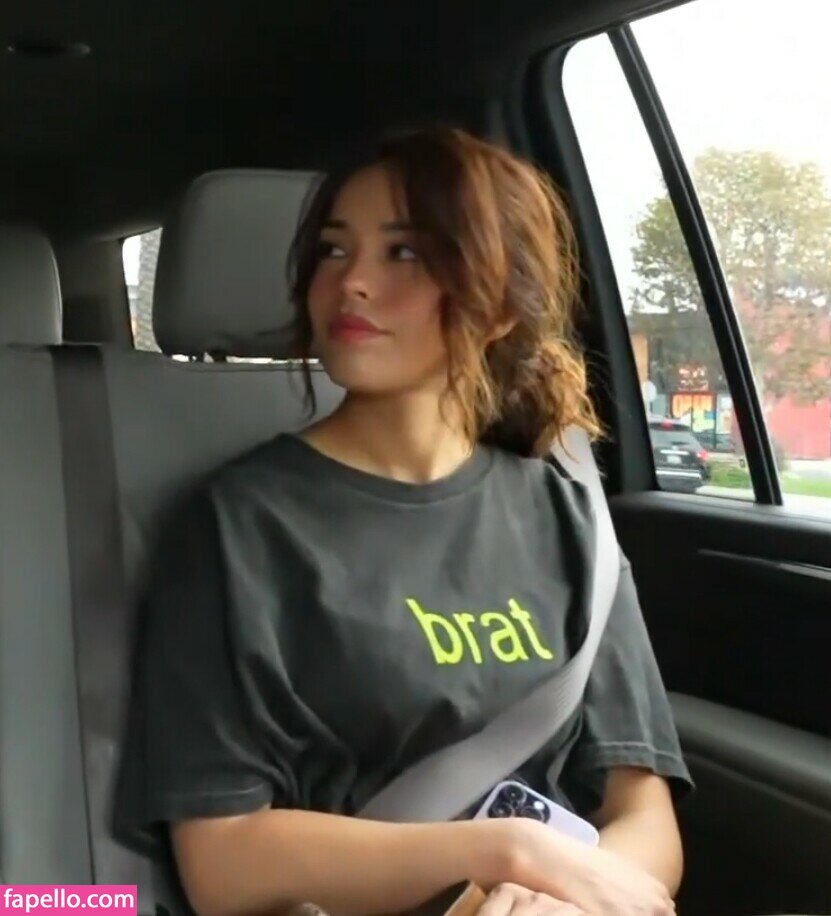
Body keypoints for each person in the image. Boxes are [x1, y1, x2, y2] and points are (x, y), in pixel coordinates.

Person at [114, 126, 693, 916]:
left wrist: (563, 898)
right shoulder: (237, 527)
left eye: (405, 253)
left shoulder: (570, 520)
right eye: (332, 250)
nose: (351, 282)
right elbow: (222, 861)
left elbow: (643, 816)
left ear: (498, 303)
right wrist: (503, 851)